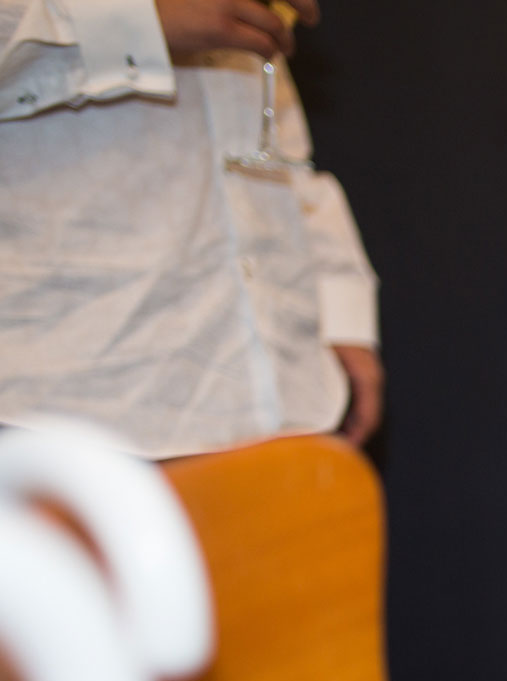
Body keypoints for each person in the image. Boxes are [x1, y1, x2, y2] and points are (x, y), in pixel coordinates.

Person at [0, 0, 382, 457]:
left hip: (278, 398)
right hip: (66, 403)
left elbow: (266, 122)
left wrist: (337, 303)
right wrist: (139, 21)